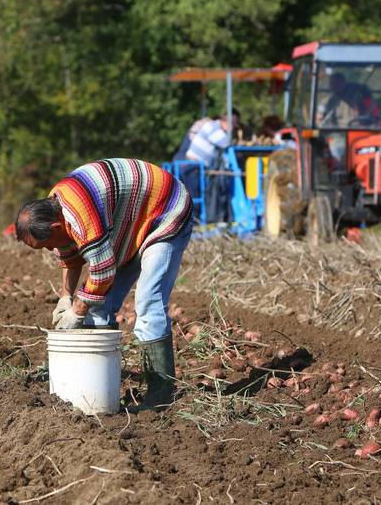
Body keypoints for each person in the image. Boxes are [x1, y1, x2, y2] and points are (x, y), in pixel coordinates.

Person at [15, 158, 193, 411]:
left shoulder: (79, 217)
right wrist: (66, 297)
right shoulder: (53, 205)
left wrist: (77, 310)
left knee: (148, 300)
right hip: (131, 222)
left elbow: (102, 271)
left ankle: (161, 394)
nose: (50, 249)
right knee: (100, 306)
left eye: (46, 244)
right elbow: (68, 251)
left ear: (56, 226)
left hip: (166, 211)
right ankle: (101, 386)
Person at [174, 110, 240, 221]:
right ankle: (194, 223)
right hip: (192, 166)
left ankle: (194, 221)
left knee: (195, 195)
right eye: (233, 124)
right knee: (194, 196)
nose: (233, 127)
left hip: (195, 165)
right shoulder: (213, 127)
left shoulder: (214, 127)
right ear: (227, 121)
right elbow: (225, 143)